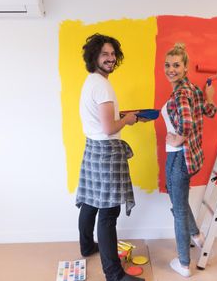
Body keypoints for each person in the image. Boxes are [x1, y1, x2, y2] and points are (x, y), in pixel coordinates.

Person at [75, 33, 144, 281]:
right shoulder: (102, 85)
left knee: (91, 202)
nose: (111, 58)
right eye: (105, 54)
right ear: (94, 56)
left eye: (113, 54)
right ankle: (114, 275)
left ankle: (86, 246)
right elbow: (109, 128)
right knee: (107, 213)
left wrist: (121, 115)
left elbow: (101, 121)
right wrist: (126, 119)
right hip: (106, 152)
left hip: (93, 149)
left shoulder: (91, 81)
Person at [161, 42, 217, 277]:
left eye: (176, 65)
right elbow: (210, 111)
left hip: (178, 159)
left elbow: (187, 123)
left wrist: (178, 139)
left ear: (185, 68)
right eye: (167, 65)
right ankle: (196, 235)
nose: (170, 69)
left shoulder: (181, 93)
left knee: (179, 209)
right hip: (191, 158)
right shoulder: (192, 89)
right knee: (180, 204)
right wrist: (210, 96)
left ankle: (184, 263)